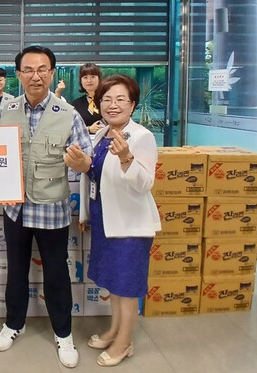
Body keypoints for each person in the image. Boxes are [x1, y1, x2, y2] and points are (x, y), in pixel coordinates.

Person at [0, 45, 92, 369]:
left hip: (52, 208)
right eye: (28, 70)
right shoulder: (7, 110)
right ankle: (13, 324)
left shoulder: (68, 114)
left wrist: (81, 162)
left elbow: (86, 160)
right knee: (16, 270)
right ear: (18, 74)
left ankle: (63, 333)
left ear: (52, 73)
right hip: (15, 208)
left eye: (42, 69)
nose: (35, 76)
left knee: (57, 273)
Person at [79, 74, 161, 367]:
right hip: (105, 219)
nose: (112, 105)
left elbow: (144, 184)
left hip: (129, 225)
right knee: (114, 283)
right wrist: (85, 212)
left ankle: (124, 342)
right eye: (106, 99)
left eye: (120, 99)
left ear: (133, 104)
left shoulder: (141, 137)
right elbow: (95, 175)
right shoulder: (101, 133)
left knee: (126, 287)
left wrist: (127, 158)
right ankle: (115, 330)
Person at [58, 63, 104, 135]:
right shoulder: (76, 104)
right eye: (85, 77)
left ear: (99, 79)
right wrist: (88, 129)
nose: (89, 80)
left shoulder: (107, 100)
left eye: (93, 77)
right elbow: (68, 127)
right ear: (81, 81)